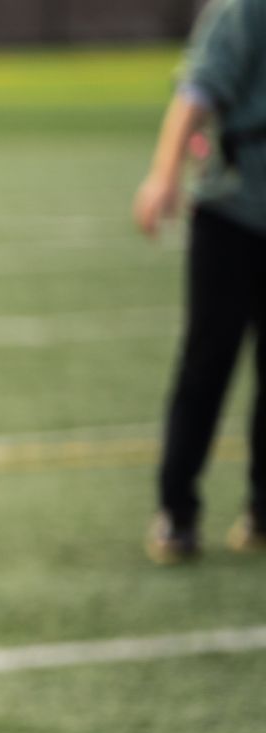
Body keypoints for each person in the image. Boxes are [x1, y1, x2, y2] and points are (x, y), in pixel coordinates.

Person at [136, 0, 266, 563]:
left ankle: (263, 510)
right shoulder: (244, 9)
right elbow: (196, 92)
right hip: (231, 214)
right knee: (208, 363)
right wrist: (164, 175)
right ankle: (177, 511)